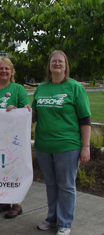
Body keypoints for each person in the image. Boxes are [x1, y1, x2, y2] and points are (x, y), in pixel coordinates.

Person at [32, 50, 91, 235]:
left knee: (66, 185)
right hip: (43, 145)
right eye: (53, 61)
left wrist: (86, 147)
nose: (57, 64)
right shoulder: (42, 88)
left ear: (66, 65)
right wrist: (19, 111)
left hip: (67, 145)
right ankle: (52, 218)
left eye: (60, 61)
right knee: (50, 184)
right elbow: (34, 114)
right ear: (49, 66)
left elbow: (85, 120)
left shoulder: (75, 88)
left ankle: (65, 222)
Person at [0, 56, 31, 219]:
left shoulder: (18, 89)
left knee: (14, 170)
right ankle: (4, 201)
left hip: (12, 140)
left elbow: (26, 110)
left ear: (11, 72)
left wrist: (15, 109)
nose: (3, 71)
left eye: (6, 69)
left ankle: (17, 204)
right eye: (0, 68)